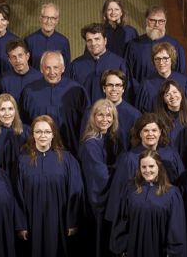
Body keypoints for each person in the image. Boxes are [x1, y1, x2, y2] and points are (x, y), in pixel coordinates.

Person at [14, 115, 84, 257]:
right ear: (32, 134)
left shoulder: (67, 160)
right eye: (38, 132)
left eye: (47, 131)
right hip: (33, 221)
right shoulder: (22, 161)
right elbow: (17, 195)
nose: (42, 135)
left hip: (59, 220)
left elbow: (75, 191)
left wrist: (72, 221)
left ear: (53, 134)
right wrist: (21, 224)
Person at [104, 113, 184, 224]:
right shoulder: (129, 159)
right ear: (139, 133)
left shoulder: (171, 155)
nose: (150, 134)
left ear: (160, 132)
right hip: (138, 216)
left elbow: (180, 185)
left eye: (154, 130)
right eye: (146, 130)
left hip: (166, 213)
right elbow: (119, 192)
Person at [109, 149, 186, 257]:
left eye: (151, 166)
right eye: (143, 167)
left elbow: (175, 228)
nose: (147, 170)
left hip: (159, 250)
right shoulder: (130, 190)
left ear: (159, 167)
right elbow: (122, 220)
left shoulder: (172, 193)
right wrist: (122, 248)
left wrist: (173, 253)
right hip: (133, 249)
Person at [20, 51, 89, 155]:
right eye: (47, 68)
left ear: (63, 68)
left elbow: (87, 124)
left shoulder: (77, 91)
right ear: (41, 69)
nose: (51, 72)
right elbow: (23, 123)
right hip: (37, 152)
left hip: (71, 151)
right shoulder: (29, 91)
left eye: (56, 67)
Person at [78, 99, 123, 257]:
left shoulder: (110, 139)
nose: (105, 119)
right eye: (101, 115)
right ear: (93, 117)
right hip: (98, 203)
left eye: (109, 115)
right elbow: (99, 177)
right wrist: (120, 173)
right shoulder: (91, 144)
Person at [124, 5, 187, 89]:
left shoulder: (175, 46)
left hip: (168, 94)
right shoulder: (134, 45)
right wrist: (140, 90)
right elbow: (127, 73)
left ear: (165, 22)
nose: (156, 24)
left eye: (161, 21)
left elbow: (181, 74)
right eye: (152, 20)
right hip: (141, 93)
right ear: (146, 21)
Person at [68, 23, 127, 103]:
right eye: (89, 40)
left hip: (111, 113)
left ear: (105, 40)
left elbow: (126, 94)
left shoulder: (119, 63)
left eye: (97, 39)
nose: (93, 44)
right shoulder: (76, 65)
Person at [153, 80, 187, 167]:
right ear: (163, 99)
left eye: (175, 92)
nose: (172, 96)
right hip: (170, 164)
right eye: (167, 94)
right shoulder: (158, 120)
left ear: (181, 94)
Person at [135, 42, 187, 113]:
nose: (161, 62)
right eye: (157, 59)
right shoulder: (146, 85)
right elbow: (140, 111)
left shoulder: (184, 82)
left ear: (171, 60)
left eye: (165, 58)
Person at [0, 94, 31, 176]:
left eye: (10, 109)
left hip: (24, 174)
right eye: (2, 109)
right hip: (0, 177)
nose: (7, 113)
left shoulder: (27, 131)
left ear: (15, 111)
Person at [24, 3, 71, 68]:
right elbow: (26, 67)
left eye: (52, 18)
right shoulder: (29, 41)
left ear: (57, 21)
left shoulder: (63, 42)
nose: (49, 21)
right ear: (40, 19)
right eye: (46, 17)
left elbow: (66, 68)